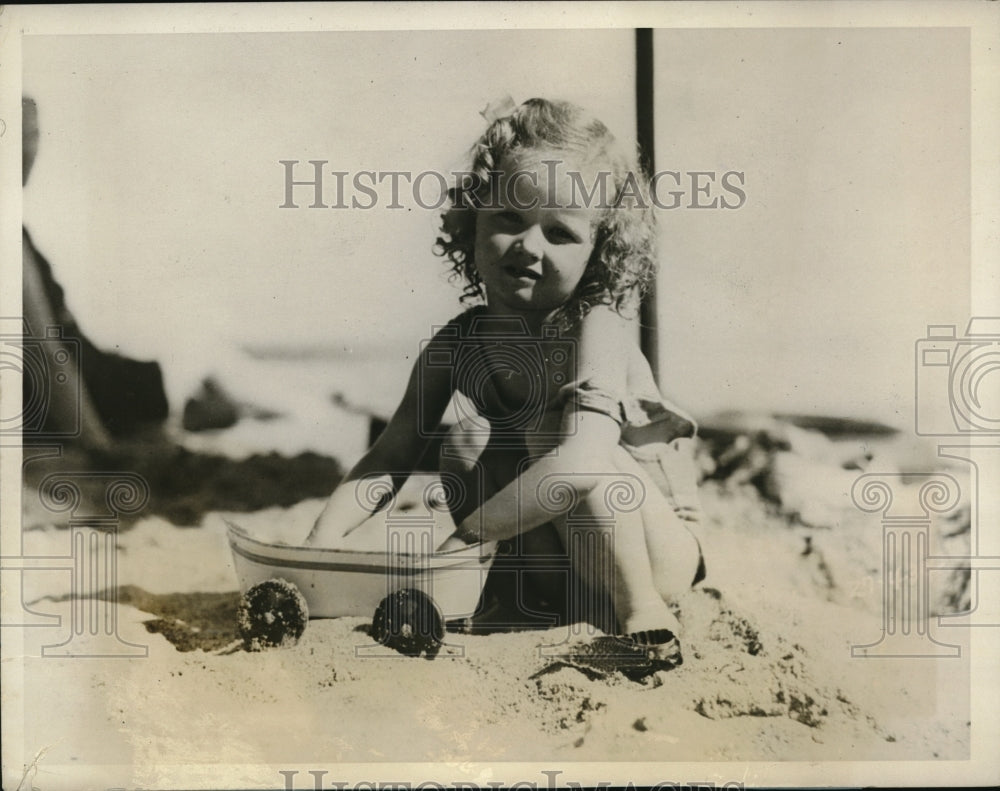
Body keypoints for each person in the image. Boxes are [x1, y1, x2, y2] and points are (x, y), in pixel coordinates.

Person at [307, 98, 705, 662]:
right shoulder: (459, 343)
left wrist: (462, 541)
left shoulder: (598, 325)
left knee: (553, 438)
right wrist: (322, 546)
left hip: (654, 549)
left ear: (597, 254)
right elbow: (390, 456)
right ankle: (512, 598)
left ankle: (641, 612)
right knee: (462, 441)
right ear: (472, 222)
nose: (529, 247)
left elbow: (585, 462)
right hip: (559, 555)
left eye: (560, 233)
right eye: (509, 219)